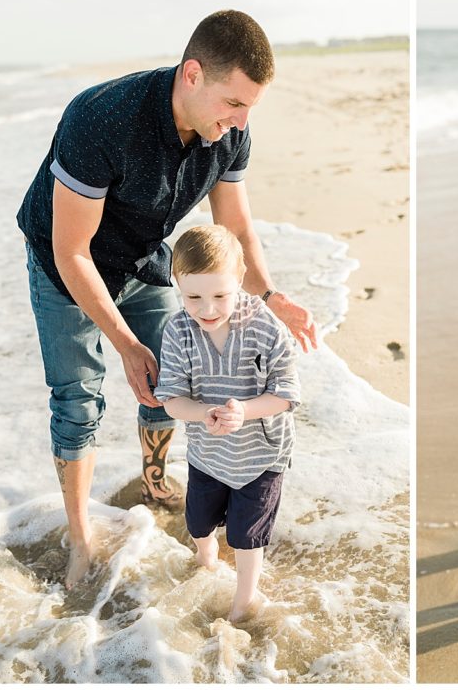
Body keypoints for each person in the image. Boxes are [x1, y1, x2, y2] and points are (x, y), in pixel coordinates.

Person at [18, 10, 317, 589]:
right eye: (235, 103)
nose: (241, 121)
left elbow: (237, 230)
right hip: (66, 266)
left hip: (143, 259)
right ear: (193, 74)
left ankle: (155, 481)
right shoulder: (102, 117)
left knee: (167, 381)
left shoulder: (228, 132)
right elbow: (71, 251)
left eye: (251, 107)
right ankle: (81, 538)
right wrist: (126, 344)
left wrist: (274, 296)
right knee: (77, 400)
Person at [154, 224, 299, 622]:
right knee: (198, 523)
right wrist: (204, 413)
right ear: (177, 285)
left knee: (245, 535)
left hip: (261, 453)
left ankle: (245, 599)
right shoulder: (178, 330)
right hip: (207, 453)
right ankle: (206, 554)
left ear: (240, 280)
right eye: (193, 296)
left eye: (220, 295)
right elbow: (171, 400)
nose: (207, 309)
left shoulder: (267, 327)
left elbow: (286, 393)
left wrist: (243, 411)